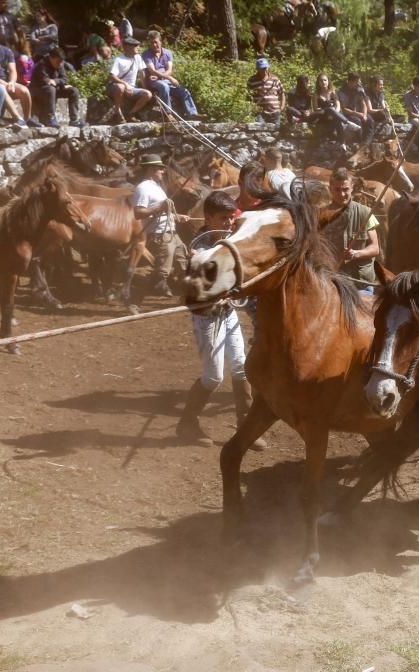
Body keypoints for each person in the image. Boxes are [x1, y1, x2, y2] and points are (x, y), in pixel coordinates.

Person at [177, 190, 266, 450]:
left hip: (227, 313)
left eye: (230, 218)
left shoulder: (231, 242)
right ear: (208, 218)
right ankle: (187, 423)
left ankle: (246, 427)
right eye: (223, 219)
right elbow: (196, 288)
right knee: (213, 376)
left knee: (240, 367)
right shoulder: (200, 248)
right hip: (206, 317)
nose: (228, 224)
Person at [132, 154, 190, 297]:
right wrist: (159, 207)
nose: (163, 171)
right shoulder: (143, 188)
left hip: (172, 232)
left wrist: (177, 217)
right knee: (162, 271)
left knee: (183, 262)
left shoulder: (157, 187)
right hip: (160, 234)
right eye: (160, 168)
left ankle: (187, 294)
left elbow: (165, 209)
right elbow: (138, 212)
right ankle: (134, 299)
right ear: (151, 169)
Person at [320, 168, 381, 291]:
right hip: (332, 282)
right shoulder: (320, 215)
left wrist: (356, 254)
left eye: (345, 189)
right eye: (337, 189)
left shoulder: (366, 213)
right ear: (330, 188)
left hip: (360, 282)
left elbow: (375, 249)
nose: (342, 194)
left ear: (352, 187)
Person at [142, 30, 199, 119]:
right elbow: (152, 71)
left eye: (156, 42)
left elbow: (169, 69)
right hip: (153, 81)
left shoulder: (167, 53)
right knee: (164, 86)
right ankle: (167, 113)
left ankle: (192, 113)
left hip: (163, 79)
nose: (154, 45)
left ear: (160, 41)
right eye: (151, 43)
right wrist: (169, 78)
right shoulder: (146, 54)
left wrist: (162, 75)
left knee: (184, 91)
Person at [0, 24, 36, 127]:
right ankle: (18, 119)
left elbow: (13, 70)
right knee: (2, 88)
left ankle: (27, 119)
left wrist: (11, 82)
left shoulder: (6, 51)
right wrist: (4, 83)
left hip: (6, 81)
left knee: (24, 90)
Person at [30, 47, 83, 127]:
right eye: (57, 61)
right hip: (39, 90)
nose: (59, 64)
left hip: (54, 89)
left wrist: (56, 81)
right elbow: (45, 82)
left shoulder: (60, 64)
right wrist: (58, 82)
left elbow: (65, 79)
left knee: (74, 91)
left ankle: (74, 119)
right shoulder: (41, 65)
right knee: (50, 89)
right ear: (51, 58)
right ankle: (50, 118)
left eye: (61, 62)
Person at [107, 36, 152, 124]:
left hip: (131, 88)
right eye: (136, 46)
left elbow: (142, 73)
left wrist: (146, 87)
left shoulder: (138, 57)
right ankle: (117, 113)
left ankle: (131, 114)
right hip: (115, 87)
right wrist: (124, 84)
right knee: (120, 87)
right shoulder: (118, 59)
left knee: (148, 94)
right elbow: (112, 76)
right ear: (127, 47)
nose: (138, 48)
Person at [337, 71, 373, 145]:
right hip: (348, 114)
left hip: (360, 113)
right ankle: (360, 142)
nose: (358, 84)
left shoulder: (360, 90)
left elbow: (363, 104)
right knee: (357, 121)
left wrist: (365, 114)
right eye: (356, 82)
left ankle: (367, 143)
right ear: (350, 81)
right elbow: (344, 109)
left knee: (370, 120)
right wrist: (358, 114)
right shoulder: (342, 92)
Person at [247, 57, 284, 126]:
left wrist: (281, 108)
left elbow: (282, 94)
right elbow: (248, 97)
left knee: (276, 132)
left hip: (275, 112)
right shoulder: (252, 80)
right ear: (257, 69)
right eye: (261, 69)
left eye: (265, 68)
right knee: (259, 132)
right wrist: (252, 109)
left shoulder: (275, 79)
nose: (264, 71)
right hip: (260, 112)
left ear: (268, 68)